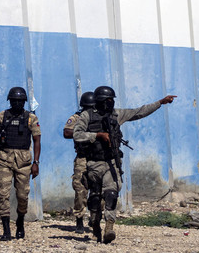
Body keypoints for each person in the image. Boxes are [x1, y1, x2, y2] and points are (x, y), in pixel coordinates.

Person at [72, 85, 176, 244]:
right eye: (107, 100)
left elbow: (139, 112)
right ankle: (95, 226)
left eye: (112, 100)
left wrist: (160, 102)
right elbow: (77, 134)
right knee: (94, 198)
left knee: (111, 193)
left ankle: (109, 227)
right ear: (99, 101)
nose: (110, 103)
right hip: (93, 163)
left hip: (111, 162)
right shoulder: (87, 116)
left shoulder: (117, 114)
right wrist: (97, 135)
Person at [0, 86, 41, 240]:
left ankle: (20, 221)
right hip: (4, 158)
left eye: (20, 101)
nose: (17, 104)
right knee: (3, 194)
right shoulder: (2, 116)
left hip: (23, 161)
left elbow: (37, 141)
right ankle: (6, 230)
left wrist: (36, 162)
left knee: (22, 195)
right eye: (14, 101)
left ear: (24, 102)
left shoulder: (31, 118)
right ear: (10, 101)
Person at [63, 91, 97, 233]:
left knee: (98, 191)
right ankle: (79, 220)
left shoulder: (99, 118)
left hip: (97, 158)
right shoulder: (76, 118)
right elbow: (66, 132)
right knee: (80, 190)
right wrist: (85, 133)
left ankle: (95, 219)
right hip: (82, 158)